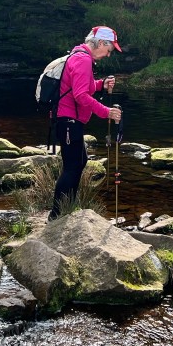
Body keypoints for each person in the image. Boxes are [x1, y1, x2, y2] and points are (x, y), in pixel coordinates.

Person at [49, 25, 123, 220]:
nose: (108, 55)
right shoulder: (83, 60)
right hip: (68, 121)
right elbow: (81, 95)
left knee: (79, 162)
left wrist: (100, 84)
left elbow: (80, 87)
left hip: (68, 120)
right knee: (73, 166)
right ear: (100, 43)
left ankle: (65, 210)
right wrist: (106, 112)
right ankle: (57, 215)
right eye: (109, 50)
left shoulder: (79, 55)